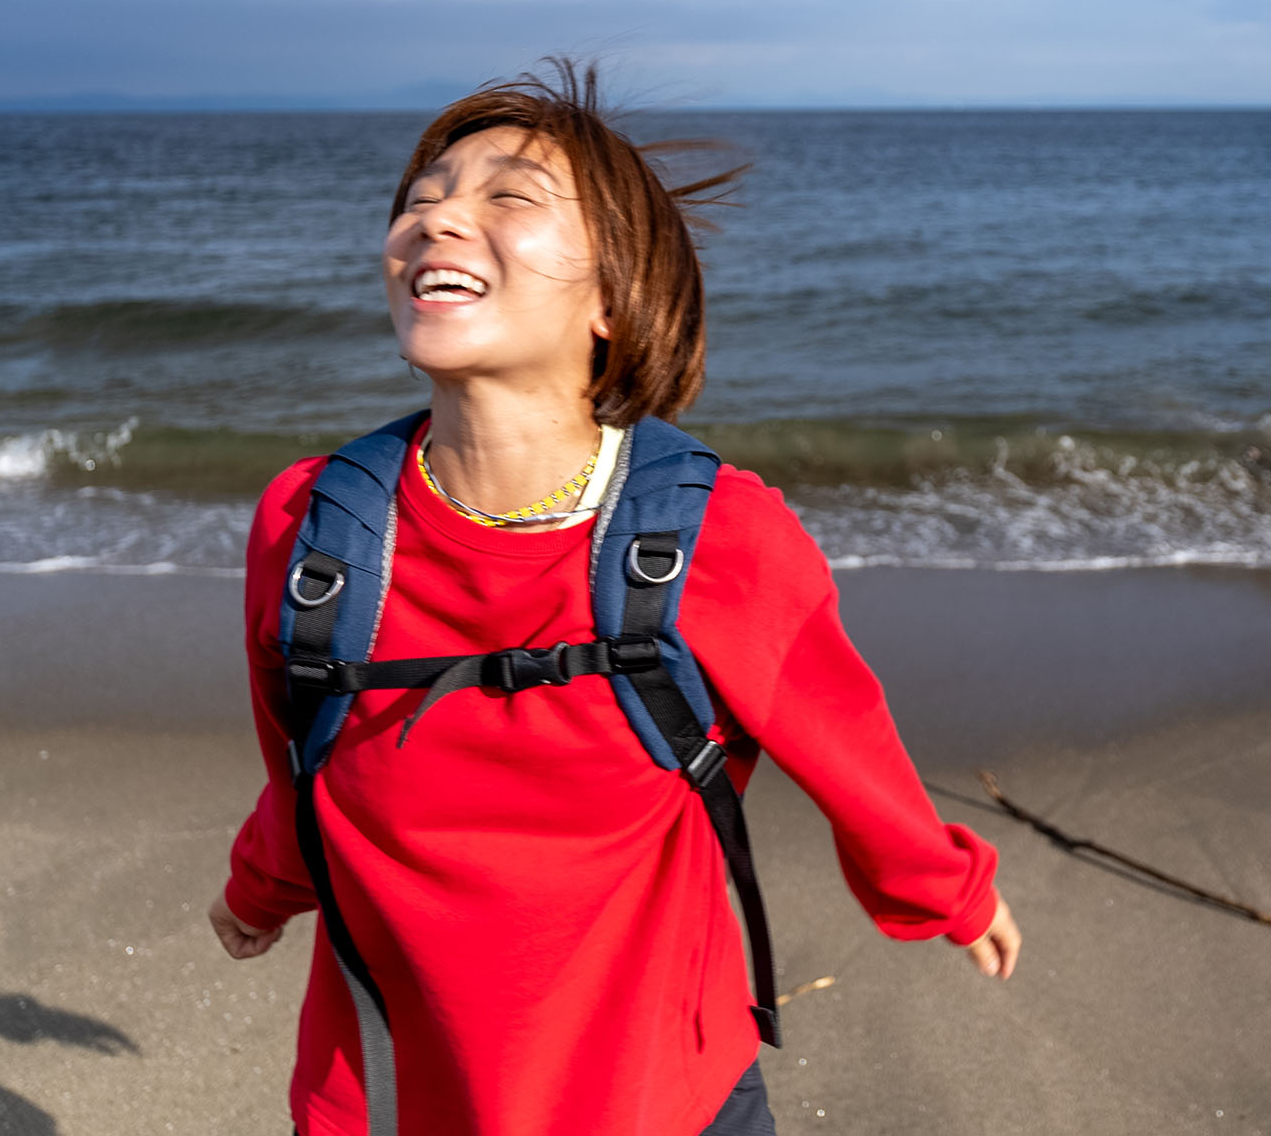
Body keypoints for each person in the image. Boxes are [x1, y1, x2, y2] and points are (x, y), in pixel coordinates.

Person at [205, 61, 1021, 1136]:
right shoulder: (314, 530)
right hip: (395, 1097)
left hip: (663, 1098)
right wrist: (259, 889)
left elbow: (851, 752)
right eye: (422, 197)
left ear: (612, 295)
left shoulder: (717, 541)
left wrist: (943, 892)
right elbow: (306, 766)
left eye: (508, 197)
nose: (437, 217)